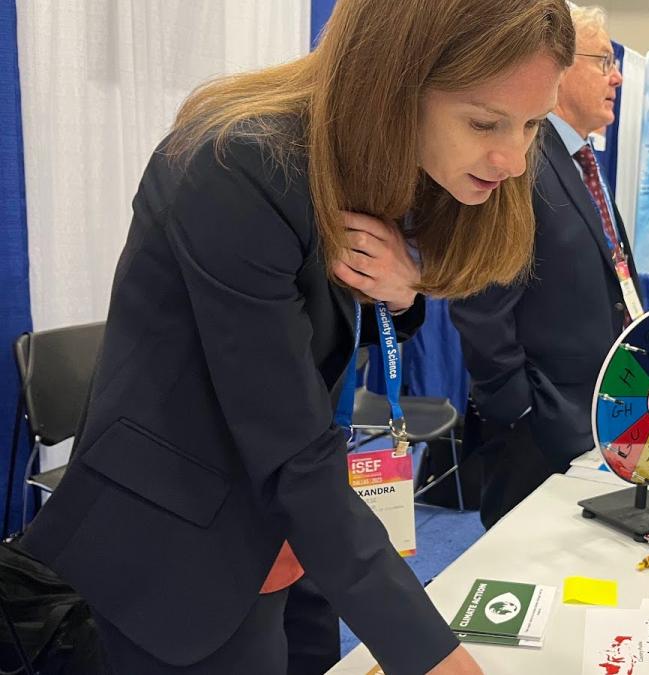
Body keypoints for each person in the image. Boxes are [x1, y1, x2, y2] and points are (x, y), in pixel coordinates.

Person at [15, 1, 575, 673]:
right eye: (486, 122)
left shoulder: (372, 160)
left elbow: (322, 333)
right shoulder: (238, 166)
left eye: (533, 126)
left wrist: (402, 291)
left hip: (295, 523)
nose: (514, 159)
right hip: (181, 551)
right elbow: (288, 441)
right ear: (395, 82)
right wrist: (433, 656)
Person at [449, 5, 637, 530]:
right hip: (540, 430)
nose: (616, 76)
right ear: (558, 65)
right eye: (604, 60)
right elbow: (479, 300)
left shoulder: (578, 159)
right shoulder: (520, 154)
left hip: (595, 418)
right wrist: (522, 412)